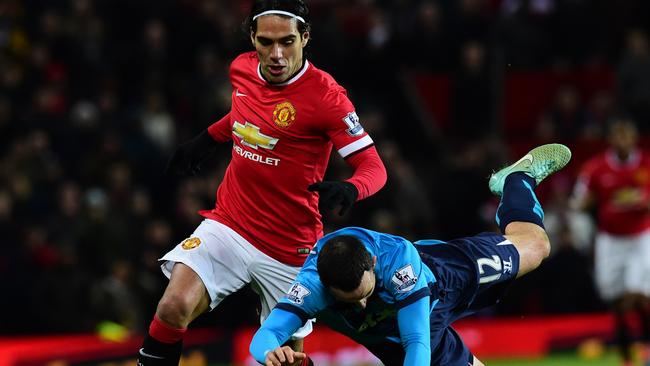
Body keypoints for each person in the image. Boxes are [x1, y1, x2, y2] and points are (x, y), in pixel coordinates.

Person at [136, 1, 387, 365]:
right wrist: (208, 138)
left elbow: (374, 166)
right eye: (266, 42)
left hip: (290, 248)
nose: (277, 54)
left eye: (287, 41)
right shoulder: (241, 68)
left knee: (285, 359)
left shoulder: (327, 98)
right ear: (252, 38)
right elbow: (246, 112)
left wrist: (352, 187)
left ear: (305, 37)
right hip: (231, 223)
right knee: (173, 306)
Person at [250, 143, 572, 366]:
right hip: (391, 337)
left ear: (373, 265)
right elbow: (265, 335)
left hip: (441, 280)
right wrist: (269, 354)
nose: (361, 306)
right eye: (350, 301)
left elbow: (416, 340)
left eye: (363, 294)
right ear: (325, 286)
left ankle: (516, 178)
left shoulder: (398, 261)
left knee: (536, 246)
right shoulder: (312, 283)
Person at [572, 118, 650, 366]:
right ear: (611, 139)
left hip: (641, 237)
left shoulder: (647, 164)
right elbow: (580, 200)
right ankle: (627, 357)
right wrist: (588, 203)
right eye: (618, 136)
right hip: (610, 240)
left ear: (634, 138)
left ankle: (647, 347)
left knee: (637, 293)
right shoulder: (596, 168)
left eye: (627, 135)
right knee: (616, 302)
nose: (623, 141)